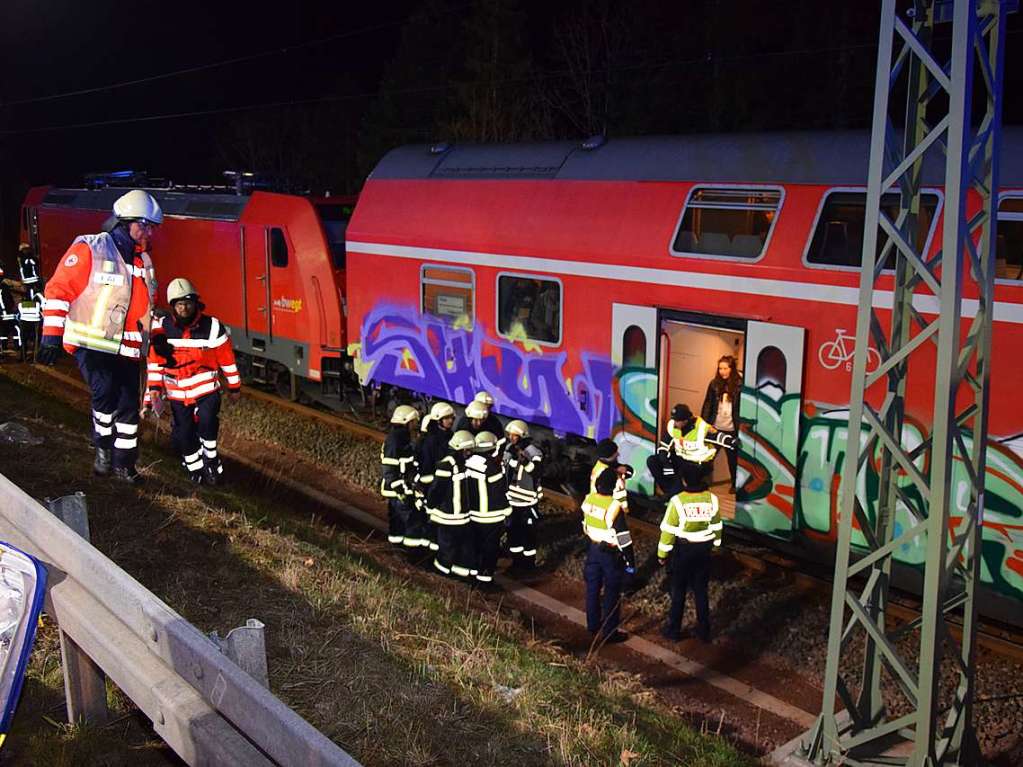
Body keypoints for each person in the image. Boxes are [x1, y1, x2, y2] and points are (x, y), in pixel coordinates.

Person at [38, 189, 162, 484]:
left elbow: (146, 308)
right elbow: (58, 291)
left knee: (129, 410)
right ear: (124, 221)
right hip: (90, 344)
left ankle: (124, 466)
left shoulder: (144, 262)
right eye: (143, 225)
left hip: (128, 349)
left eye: (152, 228)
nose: (148, 233)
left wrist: (157, 339)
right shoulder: (90, 248)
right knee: (104, 392)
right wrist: (51, 336)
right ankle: (103, 450)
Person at [144, 279, 241, 485]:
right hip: (177, 393)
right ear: (172, 306)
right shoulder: (161, 330)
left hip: (205, 389)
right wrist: (152, 392)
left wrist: (234, 387)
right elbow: (154, 364)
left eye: (188, 302)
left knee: (207, 421)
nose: (184, 307)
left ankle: (212, 461)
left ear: (196, 302)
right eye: (179, 304)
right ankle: (195, 469)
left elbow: (227, 360)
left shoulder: (212, 327)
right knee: (184, 433)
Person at [657, 466, 723, 643]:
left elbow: (668, 531)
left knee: (678, 591)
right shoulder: (712, 499)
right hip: (704, 550)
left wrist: (662, 553)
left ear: (684, 481)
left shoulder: (678, 501)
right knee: (701, 591)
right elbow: (717, 526)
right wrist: (716, 546)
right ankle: (704, 631)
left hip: (684, 551)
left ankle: (674, 631)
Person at [581, 467, 635, 644]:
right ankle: (610, 632)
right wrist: (630, 561)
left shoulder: (589, 499)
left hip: (593, 549)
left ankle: (592, 624)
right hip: (610, 554)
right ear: (612, 487)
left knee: (592, 589)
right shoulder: (613, 506)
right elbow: (624, 539)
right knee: (612, 592)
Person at [465, 430, 511, 586]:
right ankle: (485, 581)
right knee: (489, 548)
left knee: (474, 545)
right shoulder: (492, 467)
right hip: (491, 516)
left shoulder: (467, 461)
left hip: (472, 514)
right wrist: (507, 511)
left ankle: (472, 577)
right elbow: (500, 490)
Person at [428, 429, 475, 577]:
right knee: (448, 549)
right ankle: (441, 578)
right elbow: (437, 490)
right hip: (449, 518)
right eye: (468, 450)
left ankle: (453, 578)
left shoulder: (463, 463)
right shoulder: (447, 465)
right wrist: (430, 504)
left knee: (459, 549)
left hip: (460, 517)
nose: (470, 453)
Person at [415, 401, 456, 550]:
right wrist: (429, 488)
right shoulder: (431, 440)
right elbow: (426, 466)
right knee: (429, 521)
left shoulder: (449, 436)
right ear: (439, 419)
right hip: (432, 486)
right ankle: (426, 553)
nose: (451, 421)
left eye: (451, 417)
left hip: (443, 484)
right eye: (447, 418)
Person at [503, 419, 543, 570]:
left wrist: (525, 462)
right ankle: (516, 563)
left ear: (522, 435)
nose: (511, 438)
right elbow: (507, 471)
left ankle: (529, 565)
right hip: (512, 500)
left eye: (514, 435)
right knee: (513, 533)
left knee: (528, 535)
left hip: (528, 502)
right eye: (510, 435)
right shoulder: (509, 449)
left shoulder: (534, 452)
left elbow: (537, 473)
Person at [380, 405, 420, 547]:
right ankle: (409, 554)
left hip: (400, 488)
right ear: (407, 421)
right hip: (397, 490)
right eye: (414, 421)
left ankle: (398, 550)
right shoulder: (396, 439)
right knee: (409, 520)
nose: (416, 424)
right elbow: (389, 468)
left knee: (398, 522)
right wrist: (400, 491)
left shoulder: (401, 437)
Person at [701, 355, 742, 492]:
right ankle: (701, 482)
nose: (722, 371)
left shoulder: (739, 385)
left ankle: (735, 485)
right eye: (720, 368)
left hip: (731, 429)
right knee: (707, 456)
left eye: (725, 368)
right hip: (715, 428)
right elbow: (707, 404)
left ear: (732, 369)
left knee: (733, 460)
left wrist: (741, 429)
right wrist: (705, 425)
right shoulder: (714, 384)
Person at [664, 404, 719, 485]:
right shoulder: (673, 426)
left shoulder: (701, 428)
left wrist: (730, 440)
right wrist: (666, 465)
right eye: (673, 419)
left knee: (692, 483)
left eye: (677, 421)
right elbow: (664, 444)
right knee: (654, 461)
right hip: (683, 458)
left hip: (699, 463)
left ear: (685, 420)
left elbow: (717, 436)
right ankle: (674, 491)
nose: (674, 423)